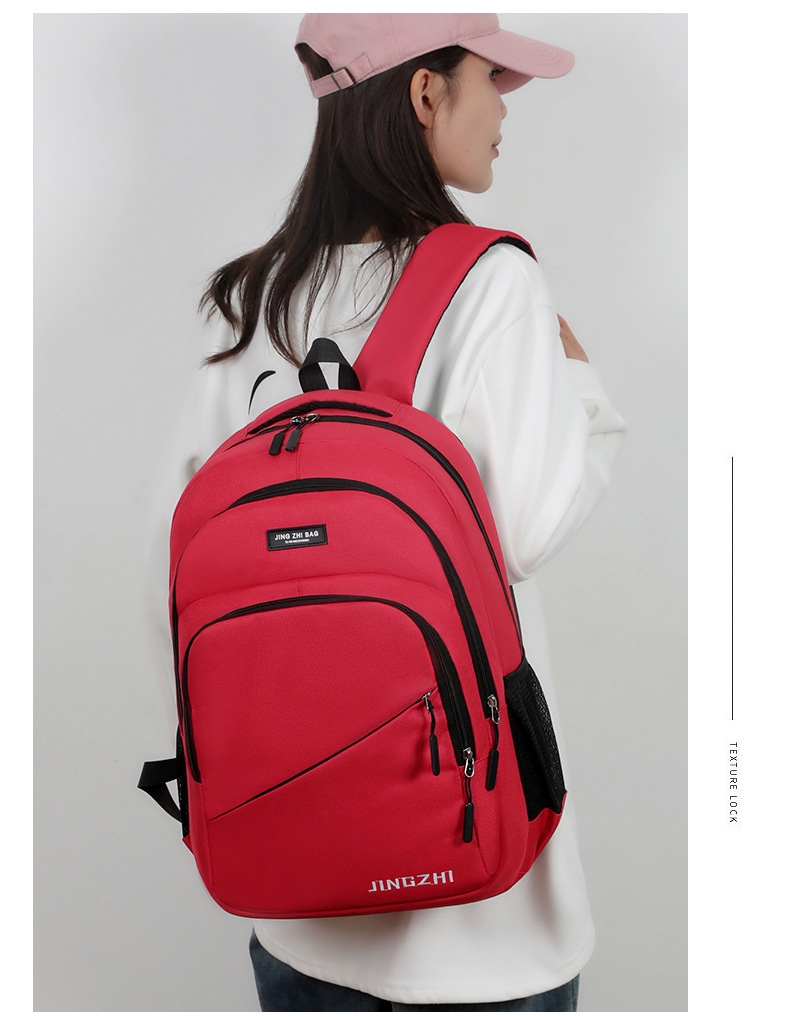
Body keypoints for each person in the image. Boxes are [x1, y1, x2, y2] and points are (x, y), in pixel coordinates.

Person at [145, 13, 626, 1012]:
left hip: (294, 904)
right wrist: (581, 390)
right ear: (425, 92)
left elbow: (170, 585)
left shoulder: (251, 297)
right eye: (489, 76)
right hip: (482, 923)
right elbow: (526, 529)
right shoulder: (491, 280)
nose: (504, 109)